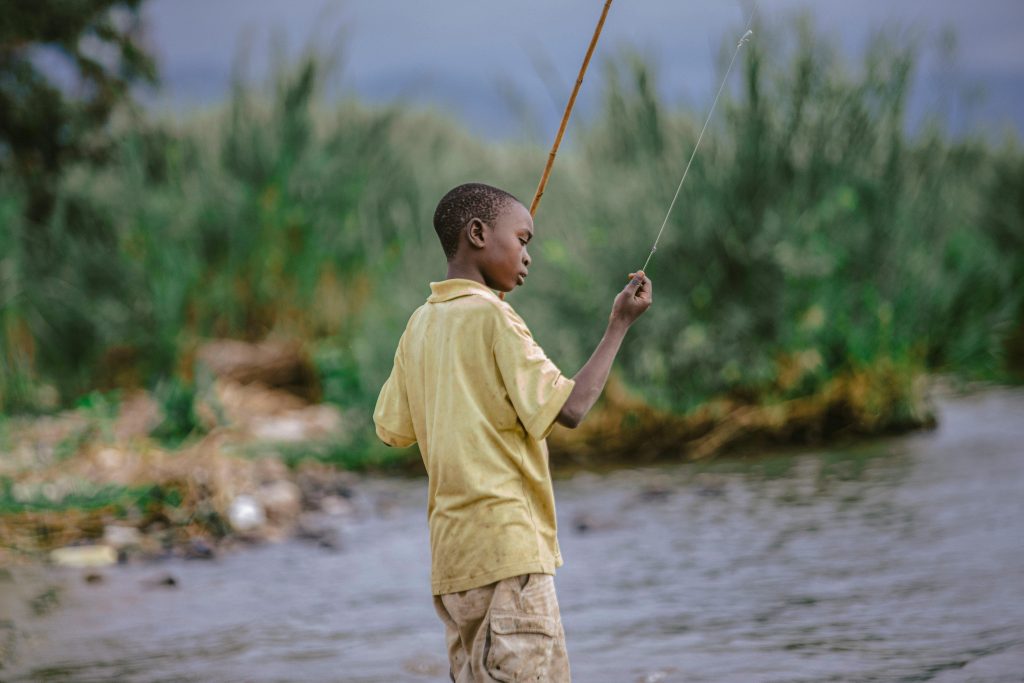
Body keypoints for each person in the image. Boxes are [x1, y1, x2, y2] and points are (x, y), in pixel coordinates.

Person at [373, 182, 652, 682]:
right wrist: (619, 324)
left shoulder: (419, 324)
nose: (527, 257)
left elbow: (391, 429)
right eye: (522, 240)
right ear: (477, 234)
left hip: (453, 566)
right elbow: (572, 408)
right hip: (510, 560)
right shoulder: (495, 317)